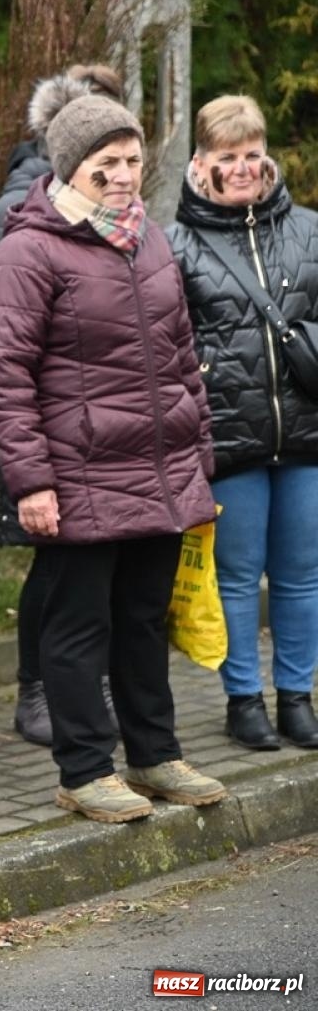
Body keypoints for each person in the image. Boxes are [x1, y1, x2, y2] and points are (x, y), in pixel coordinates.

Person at [0, 94, 229, 823]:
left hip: (159, 471)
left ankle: (155, 755)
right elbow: (8, 378)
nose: (123, 175)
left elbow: (182, 357)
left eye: (131, 160)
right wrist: (32, 482)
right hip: (79, 476)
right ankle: (85, 769)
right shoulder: (28, 250)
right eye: (106, 164)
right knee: (77, 629)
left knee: (143, 621)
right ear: (70, 167)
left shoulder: (148, 238)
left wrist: (198, 453)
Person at [0, 65, 125, 747]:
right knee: (54, 565)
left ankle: (95, 685)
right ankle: (35, 688)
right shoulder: (16, 209)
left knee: (102, 568)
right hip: (47, 428)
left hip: (111, 430)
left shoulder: (118, 211)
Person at [167, 94, 318, 750]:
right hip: (228, 437)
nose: (242, 168)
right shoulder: (177, 243)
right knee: (234, 576)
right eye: (227, 157)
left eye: (252, 153)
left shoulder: (309, 231)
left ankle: (297, 697)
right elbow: (167, 342)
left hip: (306, 433)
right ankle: (243, 700)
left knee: (302, 574)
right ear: (201, 163)